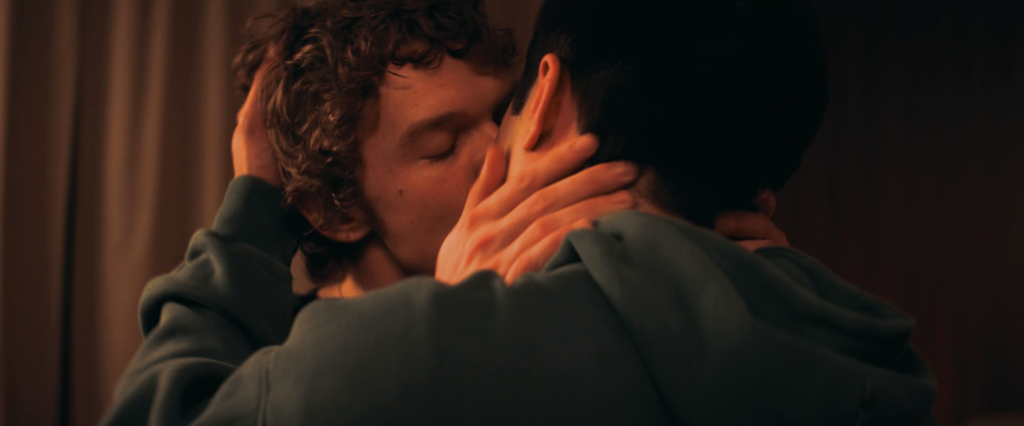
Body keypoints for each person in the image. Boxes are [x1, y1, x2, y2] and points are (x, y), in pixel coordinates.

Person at [102, 1, 937, 425]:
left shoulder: (607, 311)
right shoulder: (282, 362)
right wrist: (449, 315)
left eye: (499, 113)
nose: (498, 155)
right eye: (440, 147)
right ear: (333, 206)